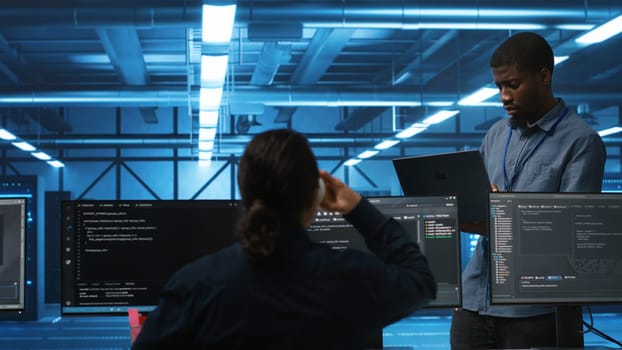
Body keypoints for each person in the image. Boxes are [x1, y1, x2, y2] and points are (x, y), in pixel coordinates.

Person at [132, 128, 437, 350]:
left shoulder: (195, 285)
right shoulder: (351, 276)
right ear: (315, 194)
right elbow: (420, 282)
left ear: (246, 195)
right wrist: (358, 209)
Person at [450, 32, 606, 349]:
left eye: (513, 84)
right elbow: (485, 208)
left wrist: (504, 215)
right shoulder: (495, 134)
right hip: (474, 302)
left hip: (533, 311)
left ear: (544, 76)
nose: (504, 96)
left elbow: (573, 233)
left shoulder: (581, 142)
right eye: (499, 86)